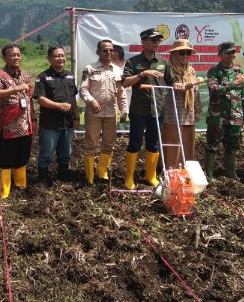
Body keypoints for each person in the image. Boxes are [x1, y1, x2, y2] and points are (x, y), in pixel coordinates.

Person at [0, 44, 36, 198]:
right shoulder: (0, 76)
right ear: (4, 58)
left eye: (18, 54)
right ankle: (5, 191)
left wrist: (33, 119)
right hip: (8, 126)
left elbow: (29, 99)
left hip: (25, 124)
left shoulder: (25, 75)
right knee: (6, 158)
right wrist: (15, 89)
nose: (16, 57)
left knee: (23, 156)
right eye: (12, 55)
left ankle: (20, 186)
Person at [122, 28, 167, 189]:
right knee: (135, 142)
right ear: (143, 42)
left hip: (157, 110)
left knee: (153, 143)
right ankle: (129, 178)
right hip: (139, 111)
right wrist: (142, 74)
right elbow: (125, 83)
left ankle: (150, 176)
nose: (156, 43)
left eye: (158, 40)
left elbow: (171, 81)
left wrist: (179, 84)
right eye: (153, 40)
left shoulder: (162, 62)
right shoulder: (133, 62)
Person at [79, 39, 128, 184]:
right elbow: (83, 89)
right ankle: (89, 176)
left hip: (111, 113)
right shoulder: (90, 68)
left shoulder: (117, 70)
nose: (108, 52)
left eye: (110, 50)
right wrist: (91, 100)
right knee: (91, 144)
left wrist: (124, 110)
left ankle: (102, 172)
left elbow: (121, 92)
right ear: (98, 52)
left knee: (109, 144)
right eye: (105, 50)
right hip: (94, 113)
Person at [205, 42, 244, 180]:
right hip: (217, 115)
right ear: (220, 54)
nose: (231, 55)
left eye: (233, 52)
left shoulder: (239, 72)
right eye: (227, 53)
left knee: (233, 145)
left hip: (235, 115)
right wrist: (233, 83)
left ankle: (230, 172)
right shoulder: (214, 71)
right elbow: (214, 90)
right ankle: (209, 174)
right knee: (212, 144)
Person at [33, 46, 79, 186]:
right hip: (50, 124)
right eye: (57, 56)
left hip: (68, 123)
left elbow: (73, 99)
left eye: (62, 55)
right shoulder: (43, 77)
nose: (61, 58)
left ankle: (63, 175)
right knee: (46, 153)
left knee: (66, 153)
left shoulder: (70, 76)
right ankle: (43, 178)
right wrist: (58, 106)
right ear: (49, 58)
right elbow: (40, 98)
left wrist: (76, 117)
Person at [162, 39, 204, 170]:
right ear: (174, 54)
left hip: (188, 112)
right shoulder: (168, 69)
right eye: (181, 53)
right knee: (172, 141)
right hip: (172, 111)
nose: (185, 56)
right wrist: (194, 83)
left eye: (187, 53)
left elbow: (195, 92)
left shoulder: (191, 70)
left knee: (187, 141)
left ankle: (186, 170)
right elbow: (177, 87)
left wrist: (197, 109)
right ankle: (170, 170)